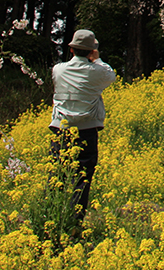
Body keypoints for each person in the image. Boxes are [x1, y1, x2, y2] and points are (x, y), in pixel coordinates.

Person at [49, 29, 116, 222]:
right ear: (90, 51)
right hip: (86, 130)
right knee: (82, 177)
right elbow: (110, 75)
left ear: (71, 50)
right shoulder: (97, 72)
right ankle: (75, 220)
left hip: (60, 129)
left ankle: (53, 217)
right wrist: (97, 59)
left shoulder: (58, 70)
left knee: (57, 173)